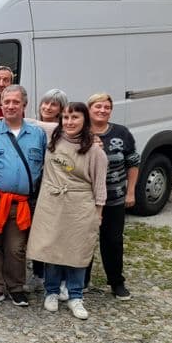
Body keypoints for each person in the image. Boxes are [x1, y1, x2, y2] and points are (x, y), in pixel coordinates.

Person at [28, 102, 107, 319]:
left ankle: (75, 295)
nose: (70, 122)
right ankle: (51, 291)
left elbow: (100, 185)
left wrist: (98, 213)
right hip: (52, 202)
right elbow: (33, 122)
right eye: (66, 117)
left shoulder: (94, 151)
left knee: (77, 250)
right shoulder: (54, 135)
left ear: (85, 121)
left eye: (75, 118)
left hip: (79, 204)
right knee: (51, 248)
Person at [0, 84, 47, 308]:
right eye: (6, 102)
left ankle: (16, 287)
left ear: (24, 106)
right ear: (0, 105)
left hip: (21, 203)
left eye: (15, 102)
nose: (10, 106)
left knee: (16, 247)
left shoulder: (37, 134)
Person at [85, 92, 140, 300]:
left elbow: (133, 162)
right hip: (86, 199)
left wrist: (131, 191)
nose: (102, 110)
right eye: (97, 106)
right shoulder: (81, 132)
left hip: (114, 198)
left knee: (113, 241)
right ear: (89, 109)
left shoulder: (121, 133)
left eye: (106, 107)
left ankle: (116, 282)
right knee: (84, 240)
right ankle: (82, 279)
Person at [27, 87, 69, 292]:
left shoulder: (62, 129)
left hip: (55, 185)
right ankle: (38, 273)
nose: (48, 107)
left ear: (61, 109)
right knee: (37, 230)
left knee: (55, 232)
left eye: (54, 104)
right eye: (45, 102)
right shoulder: (34, 126)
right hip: (36, 185)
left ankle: (59, 278)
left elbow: (45, 127)